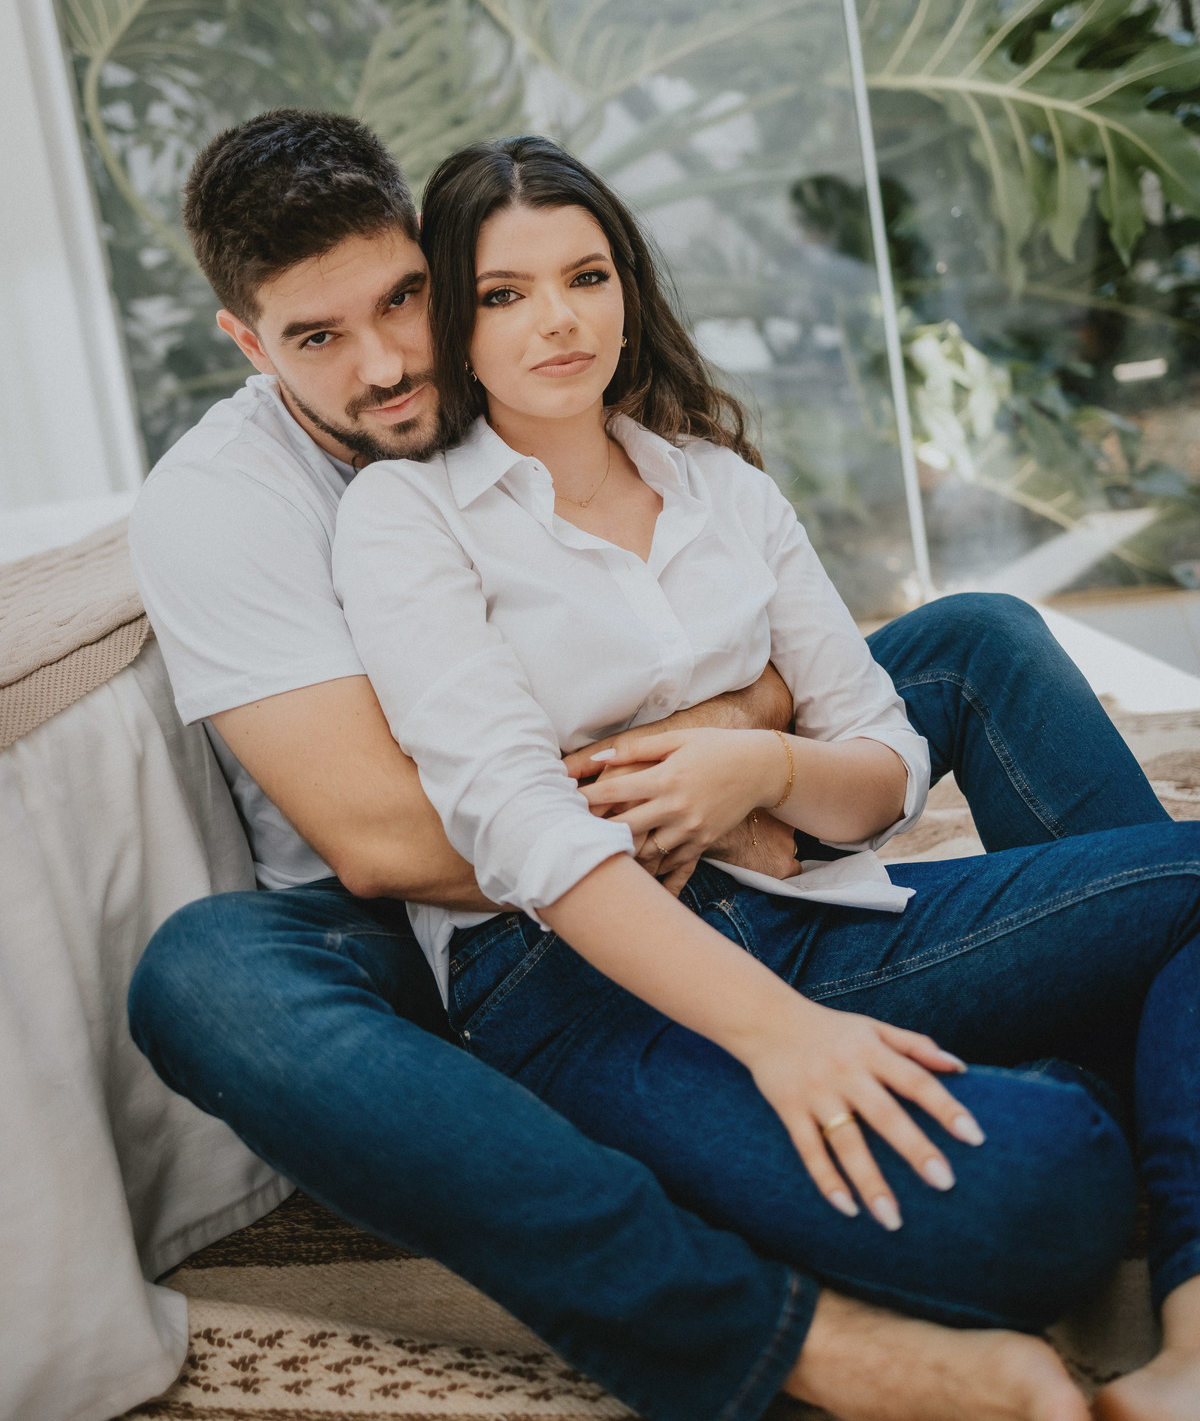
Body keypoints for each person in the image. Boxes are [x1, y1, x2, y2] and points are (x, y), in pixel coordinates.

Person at [125, 109, 1176, 1421]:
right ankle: (793, 1335)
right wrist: (694, 807)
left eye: (403, 300)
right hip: (429, 912)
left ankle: (1128, 1055)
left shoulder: (610, 436)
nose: (388, 363)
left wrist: (744, 753)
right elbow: (388, 840)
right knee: (204, 977)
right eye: (318, 338)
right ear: (248, 343)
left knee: (977, 642)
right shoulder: (231, 505)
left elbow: (758, 672)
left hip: (658, 808)